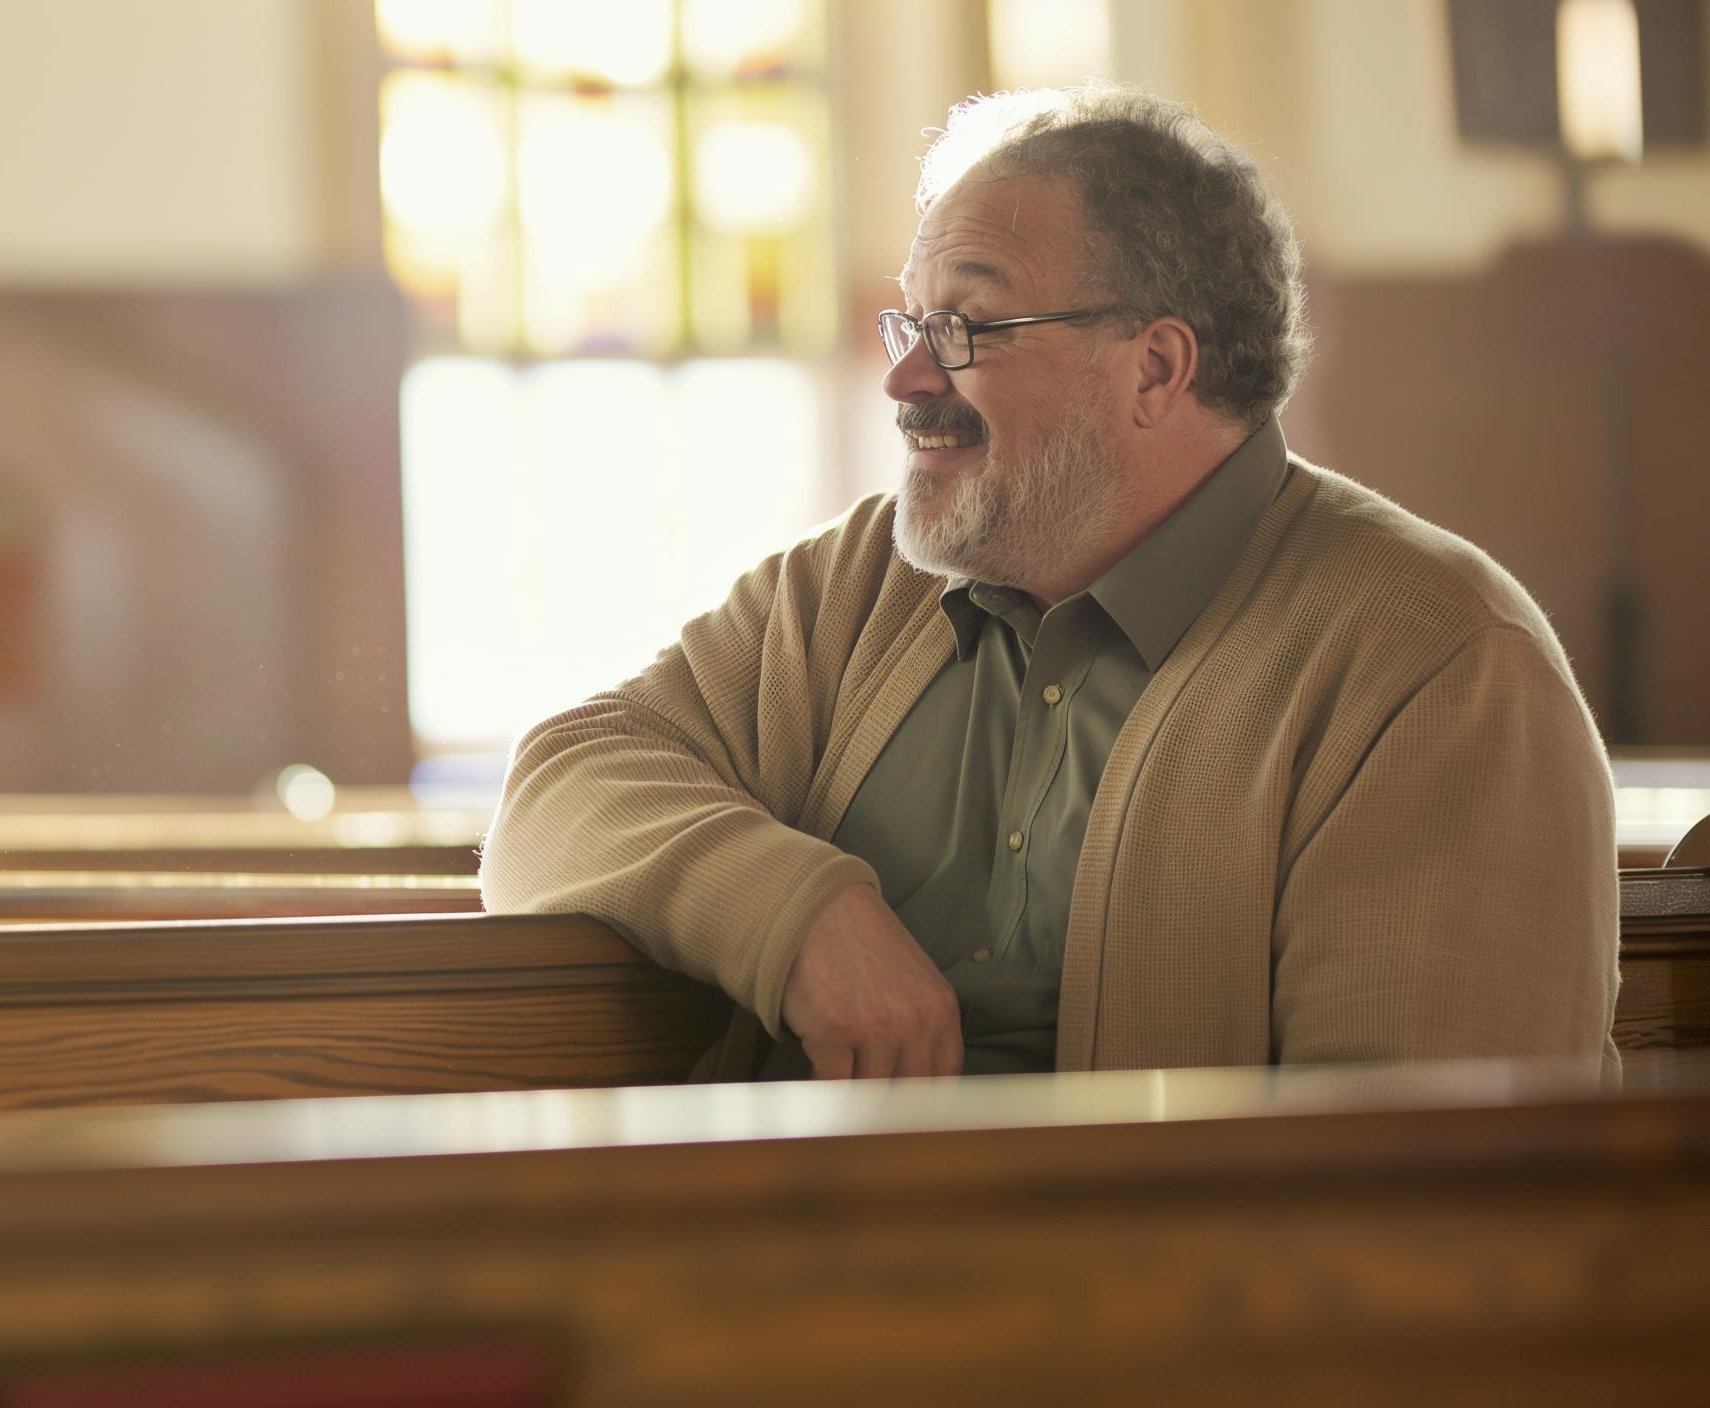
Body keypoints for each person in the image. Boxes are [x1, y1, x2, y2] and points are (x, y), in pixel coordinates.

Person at [479, 84, 1617, 1081]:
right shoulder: (856, 586)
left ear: (1156, 368)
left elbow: (1422, 1207)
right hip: (764, 1287)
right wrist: (798, 911)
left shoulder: (1435, 663)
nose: (905, 377)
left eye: (967, 326)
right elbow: (562, 782)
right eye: (909, 320)